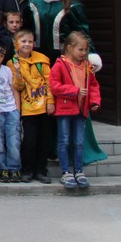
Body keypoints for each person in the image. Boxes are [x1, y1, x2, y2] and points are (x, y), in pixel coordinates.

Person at [28, 0, 106, 165]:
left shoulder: (73, 6)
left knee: (68, 104)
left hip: (65, 63)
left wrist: (90, 54)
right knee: (44, 104)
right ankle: (46, 149)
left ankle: (72, 150)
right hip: (39, 63)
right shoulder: (34, 5)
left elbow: (82, 32)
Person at [50, 31, 101, 190]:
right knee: (64, 141)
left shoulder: (87, 66)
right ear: (70, 48)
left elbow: (93, 85)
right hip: (65, 109)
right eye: (80, 49)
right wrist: (75, 91)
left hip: (81, 110)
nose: (84, 53)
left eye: (85, 50)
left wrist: (94, 101)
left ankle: (79, 171)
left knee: (79, 142)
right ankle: (66, 172)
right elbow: (54, 86)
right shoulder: (60, 64)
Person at [10, 29, 53, 183]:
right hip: (28, 109)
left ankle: (42, 171)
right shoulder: (12, 63)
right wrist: (18, 73)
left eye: (30, 41)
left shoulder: (42, 60)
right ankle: (27, 170)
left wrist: (50, 101)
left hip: (43, 107)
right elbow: (18, 87)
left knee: (44, 141)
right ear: (16, 43)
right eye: (23, 41)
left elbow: (49, 82)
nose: (27, 44)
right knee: (29, 141)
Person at [0, 41, 22, 183]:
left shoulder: (7, 70)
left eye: (1, 56)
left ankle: (14, 168)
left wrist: (17, 110)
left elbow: (15, 90)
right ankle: (3, 169)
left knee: (13, 142)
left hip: (10, 109)